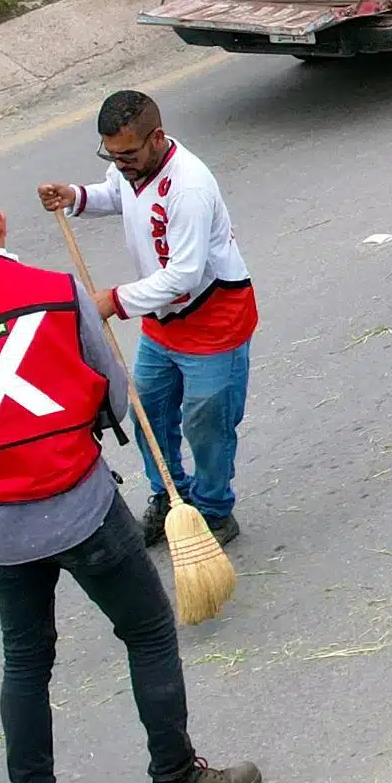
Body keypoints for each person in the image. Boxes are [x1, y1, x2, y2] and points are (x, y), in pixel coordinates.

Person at [0, 176, 261, 783]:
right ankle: (177, 781)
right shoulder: (57, 293)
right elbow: (113, 399)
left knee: (26, 661)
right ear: (1, 226)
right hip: (80, 506)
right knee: (149, 630)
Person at [40, 90, 257, 546]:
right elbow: (116, 194)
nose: (119, 164)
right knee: (149, 416)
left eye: (127, 154)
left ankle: (215, 509)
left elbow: (185, 276)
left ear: (155, 138)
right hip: (161, 320)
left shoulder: (189, 187)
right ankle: (170, 496)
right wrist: (75, 197)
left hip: (213, 319)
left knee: (207, 424)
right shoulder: (130, 167)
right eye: (111, 155)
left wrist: (113, 301)